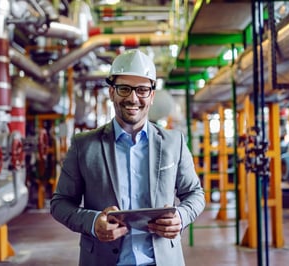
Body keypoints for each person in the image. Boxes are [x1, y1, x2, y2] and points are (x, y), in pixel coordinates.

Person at [50, 49, 205, 266]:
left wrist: (182, 216)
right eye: (124, 89)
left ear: (151, 95)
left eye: (142, 90)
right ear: (112, 92)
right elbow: (60, 203)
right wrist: (93, 222)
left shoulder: (173, 143)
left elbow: (195, 194)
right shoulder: (84, 145)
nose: (133, 98)